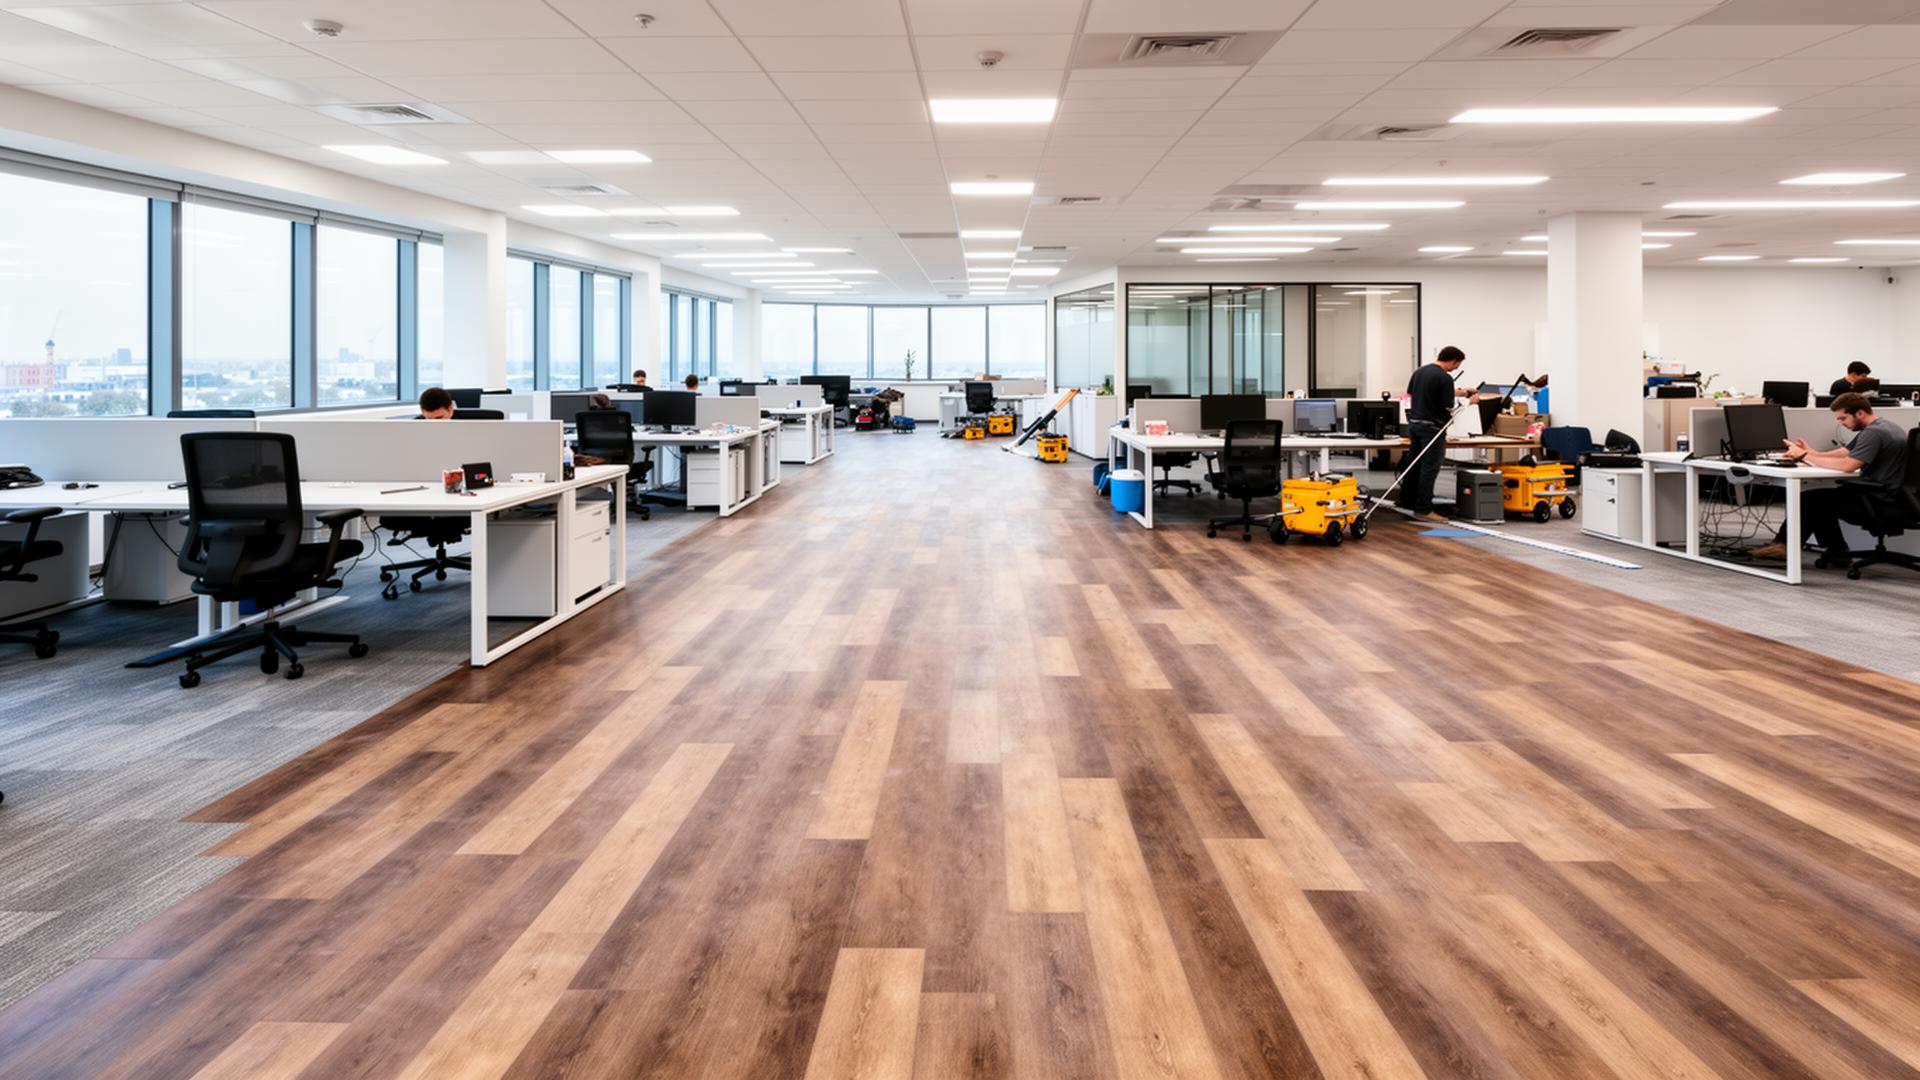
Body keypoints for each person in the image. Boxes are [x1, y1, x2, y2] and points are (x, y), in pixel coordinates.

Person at [1749, 391, 1909, 566]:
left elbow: (1848, 465)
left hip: (1878, 499)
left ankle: (1784, 548)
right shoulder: (1885, 427)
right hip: (1890, 496)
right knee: (1818, 500)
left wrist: (1803, 457)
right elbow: (1845, 452)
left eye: (1843, 419)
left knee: (1810, 500)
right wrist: (1812, 453)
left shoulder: (1874, 433)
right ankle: (1836, 550)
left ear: (1860, 413)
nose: (1842, 424)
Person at [1400, 346, 1478, 522]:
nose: (1456, 368)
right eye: (1457, 365)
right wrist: (1469, 401)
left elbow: (1420, 393)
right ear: (1453, 361)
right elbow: (1450, 405)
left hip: (1415, 426)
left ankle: (1408, 503)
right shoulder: (1445, 377)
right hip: (1432, 430)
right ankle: (1424, 510)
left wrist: (1463, 391)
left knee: (1414, 465)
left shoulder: (1419, 372)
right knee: (1430, 468)